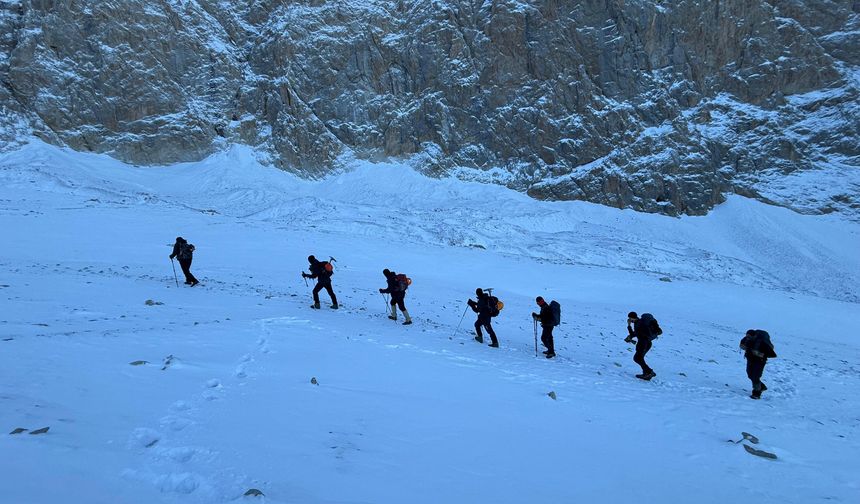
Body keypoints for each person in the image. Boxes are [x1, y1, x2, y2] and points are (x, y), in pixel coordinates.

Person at [740, 329, 777, 399]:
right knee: (750, 375)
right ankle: (761, 386)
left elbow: (768, 352)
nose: (747, 338)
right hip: (750, 359)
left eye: (749, 336)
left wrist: (758, 353)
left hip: (760, 361)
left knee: (755, 376)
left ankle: (756, 393)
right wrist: (744, 346)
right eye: (747, 336)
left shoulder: (762, 342)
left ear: (754, 336)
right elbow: (742, 345)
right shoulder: (746, 339)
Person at [624, 311, 661, 380]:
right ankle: (646, 373)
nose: (629, 320)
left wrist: (629, 326)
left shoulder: (638, 324)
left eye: (630, 318)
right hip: (647, 343)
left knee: (637, 358)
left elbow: (633, 334)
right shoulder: (639, 322)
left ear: (632, 317)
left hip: (643, 343)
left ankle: (649, 372)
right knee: (639, 358)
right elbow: (636, 333)